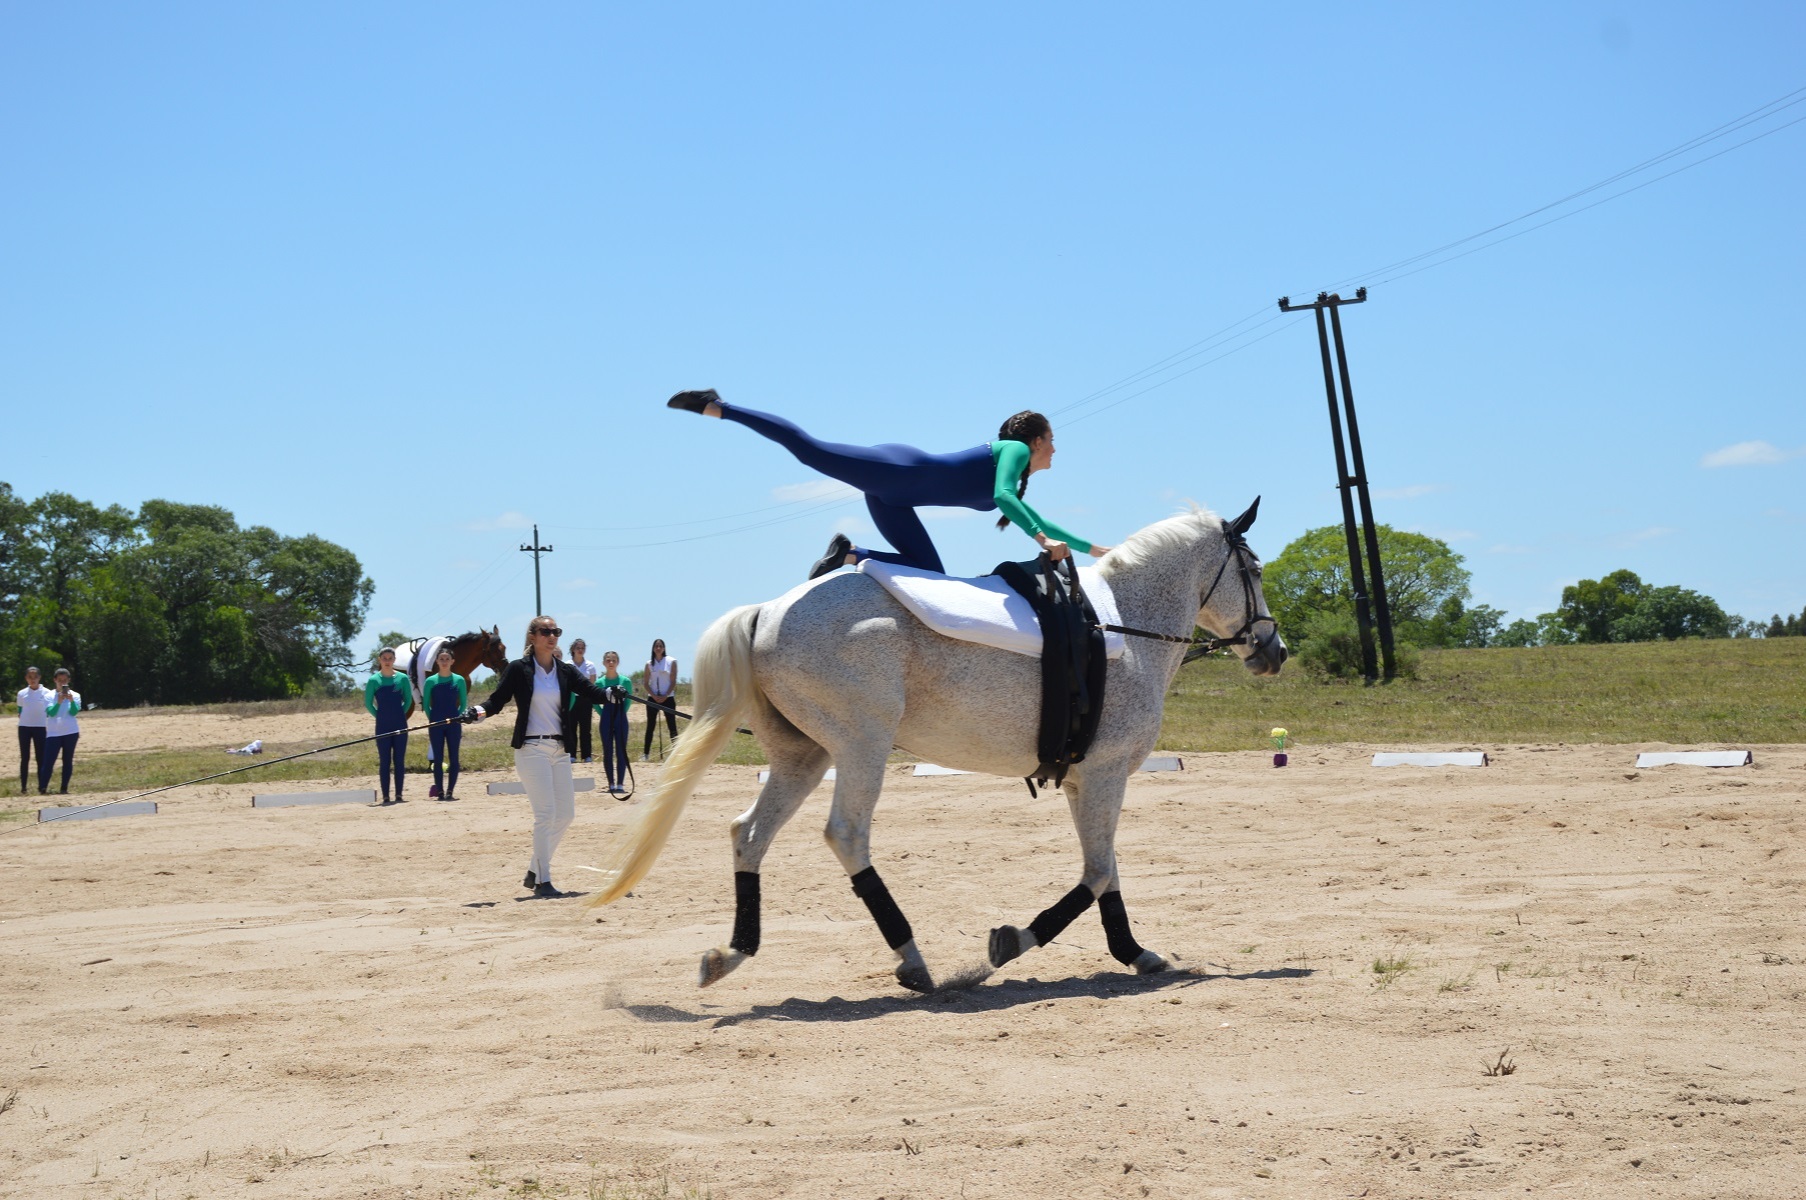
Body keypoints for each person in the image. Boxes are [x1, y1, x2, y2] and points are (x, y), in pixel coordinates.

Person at [666, 389, 1113, 577]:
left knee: (930, 572)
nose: (1055, 449)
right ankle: (718, 405)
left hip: (896, 504)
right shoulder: (1013, 452)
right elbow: (1004, 500)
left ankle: (850, 554)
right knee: (810, 450)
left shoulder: (1018, 479)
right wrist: (1040, 539)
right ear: (1034, 441)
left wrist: (1096, 551)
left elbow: (1038, 518)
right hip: (899, 471)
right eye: (1052, 441)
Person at [467, 616, 621, 898]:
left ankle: (534, 869)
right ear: (532, 637)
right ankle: (543, 880)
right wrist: (476, 712)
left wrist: (612, 693)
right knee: (546, 814)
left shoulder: (564, 671)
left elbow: (591, 691)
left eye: (556, 632)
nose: (552, 636)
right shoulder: (518, 669)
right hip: (531, 749)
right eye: (546, 632)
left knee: (566, 814)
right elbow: (496, 700)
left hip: (560, 751)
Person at [364, 648, 415, 804]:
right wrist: (380, 716)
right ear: (380, 660)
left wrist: (400, 714)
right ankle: (385, 795)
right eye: (384, 658)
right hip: (382, 725)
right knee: (385, 761)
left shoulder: (402, 678)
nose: (387, 661)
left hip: (400, 723)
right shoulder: (374, 680)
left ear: (394, 660)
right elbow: (368, 703)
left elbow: (408, 701)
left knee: (399, 760)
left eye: (390, 658)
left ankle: (399, 794)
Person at [422, 647, 467, 801]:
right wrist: (433, 719)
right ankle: (440, 791)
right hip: (436, 723)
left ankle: (450, 791)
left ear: (452, 661)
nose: (444, 662)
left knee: (454, 757)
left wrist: (457, 717)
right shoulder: (430, 681)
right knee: (438, 758)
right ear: (437, 661)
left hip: (454, 723)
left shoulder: (459, 680)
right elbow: (426, 705)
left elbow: (463, 704)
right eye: (441, 659)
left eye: (447, 659)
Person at [593, 650, 634, 795]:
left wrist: (621, 713)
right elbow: (595, 702)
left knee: (621, 751)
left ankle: (620, 783)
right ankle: (610, 783)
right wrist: (603, 713)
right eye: (608, 660)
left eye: (614, 660)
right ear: (604, 663)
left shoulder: (625, 681)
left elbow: (628, 701)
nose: (611, 663)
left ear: (618, 663)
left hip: (621, 718)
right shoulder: (599, 682)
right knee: (608, 751)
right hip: (606, 719)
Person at [40, 667, 81, 795]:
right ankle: (43, 787)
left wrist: (71, 700)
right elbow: (51, 713)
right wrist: (58, 702)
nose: (62, 683)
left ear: (69, 680)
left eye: (65, 680)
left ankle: (64, 788)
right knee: (49, 761)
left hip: (71, 732)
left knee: (67, 760)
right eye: (59, 680)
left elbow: (74, 712)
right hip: (54, 733)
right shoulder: (48, 696)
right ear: (55, 680)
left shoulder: (75, 695)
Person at [17, 666, 52, 795]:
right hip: (24, 727)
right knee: (25, 757)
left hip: (41, 727)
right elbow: (20, 710)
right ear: (26, 678)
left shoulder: (47, 692)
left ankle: (41, 786)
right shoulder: (21, 693)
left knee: (40, 757)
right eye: (30, 677)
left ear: (39, 677)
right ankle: (23, 787)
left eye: (35, 677)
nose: (33, 680)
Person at [642, 638, 678, 761]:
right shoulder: (649, 664)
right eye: (656, 646)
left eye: (660, 646)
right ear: (653, 648)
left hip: (668, 698)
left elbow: (673, 681)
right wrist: (653, 695)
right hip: (652, 698)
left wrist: (665, 695)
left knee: (672, 726)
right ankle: (645, 754)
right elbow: (646, 683)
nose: (658, 648)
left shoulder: (671, 661)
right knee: (650, 727)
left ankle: (676, 754)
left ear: (664, 648)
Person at [568, 639, 599, 762]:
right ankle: (572, 755)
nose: (580, 650)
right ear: (573, 650)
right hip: (572, 699)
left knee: (586, 729)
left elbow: (592, 684)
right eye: (578, 648)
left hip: (585, 699)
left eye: (582, 648)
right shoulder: (567, 665)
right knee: (571, 728)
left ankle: (587, 755)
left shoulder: (590, 666)